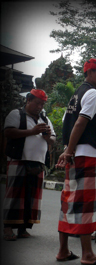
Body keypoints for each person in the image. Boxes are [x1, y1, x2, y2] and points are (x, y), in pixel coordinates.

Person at [56, 56, 96, 265]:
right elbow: (80, 123)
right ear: (89, 72)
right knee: (86, 205)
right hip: (88, 155)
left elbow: (67, 124)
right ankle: (88, 254)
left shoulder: (76, 95)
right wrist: (69, 151)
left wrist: (68, 151)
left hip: (76, 155)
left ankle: (63, 250)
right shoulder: (92, 94)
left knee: (69, 202)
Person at [3, 89, 55, 241]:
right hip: (19, 159)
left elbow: (53, 140)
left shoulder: (44, 119)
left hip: (37, 162)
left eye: (42, 104)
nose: (40, 107)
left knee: (30, 197)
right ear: (28, 100)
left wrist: (47, 137)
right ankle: (7, 228)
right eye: (37, 103)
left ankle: (23, 229)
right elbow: (8, 133)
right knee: (14, 195)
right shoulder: (16, 114)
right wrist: (32, 131)